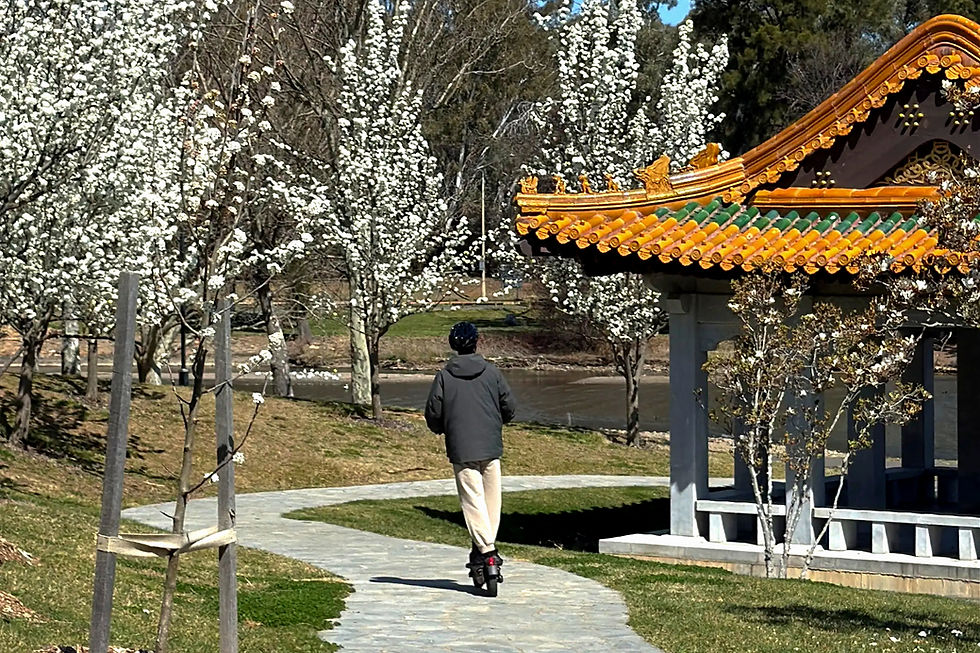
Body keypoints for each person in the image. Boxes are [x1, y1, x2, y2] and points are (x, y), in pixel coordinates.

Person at [425, 320, 516, 574]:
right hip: (490, 444)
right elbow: (509, 405)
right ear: (477, 342)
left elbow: (434, 411)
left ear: (453, 345)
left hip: (461, 447)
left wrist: (441, 427)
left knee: (472, 500)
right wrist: (500, 420)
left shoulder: (444, 376)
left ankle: (487, 551)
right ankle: (485, 551)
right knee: (491, 502)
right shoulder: (492, 373)